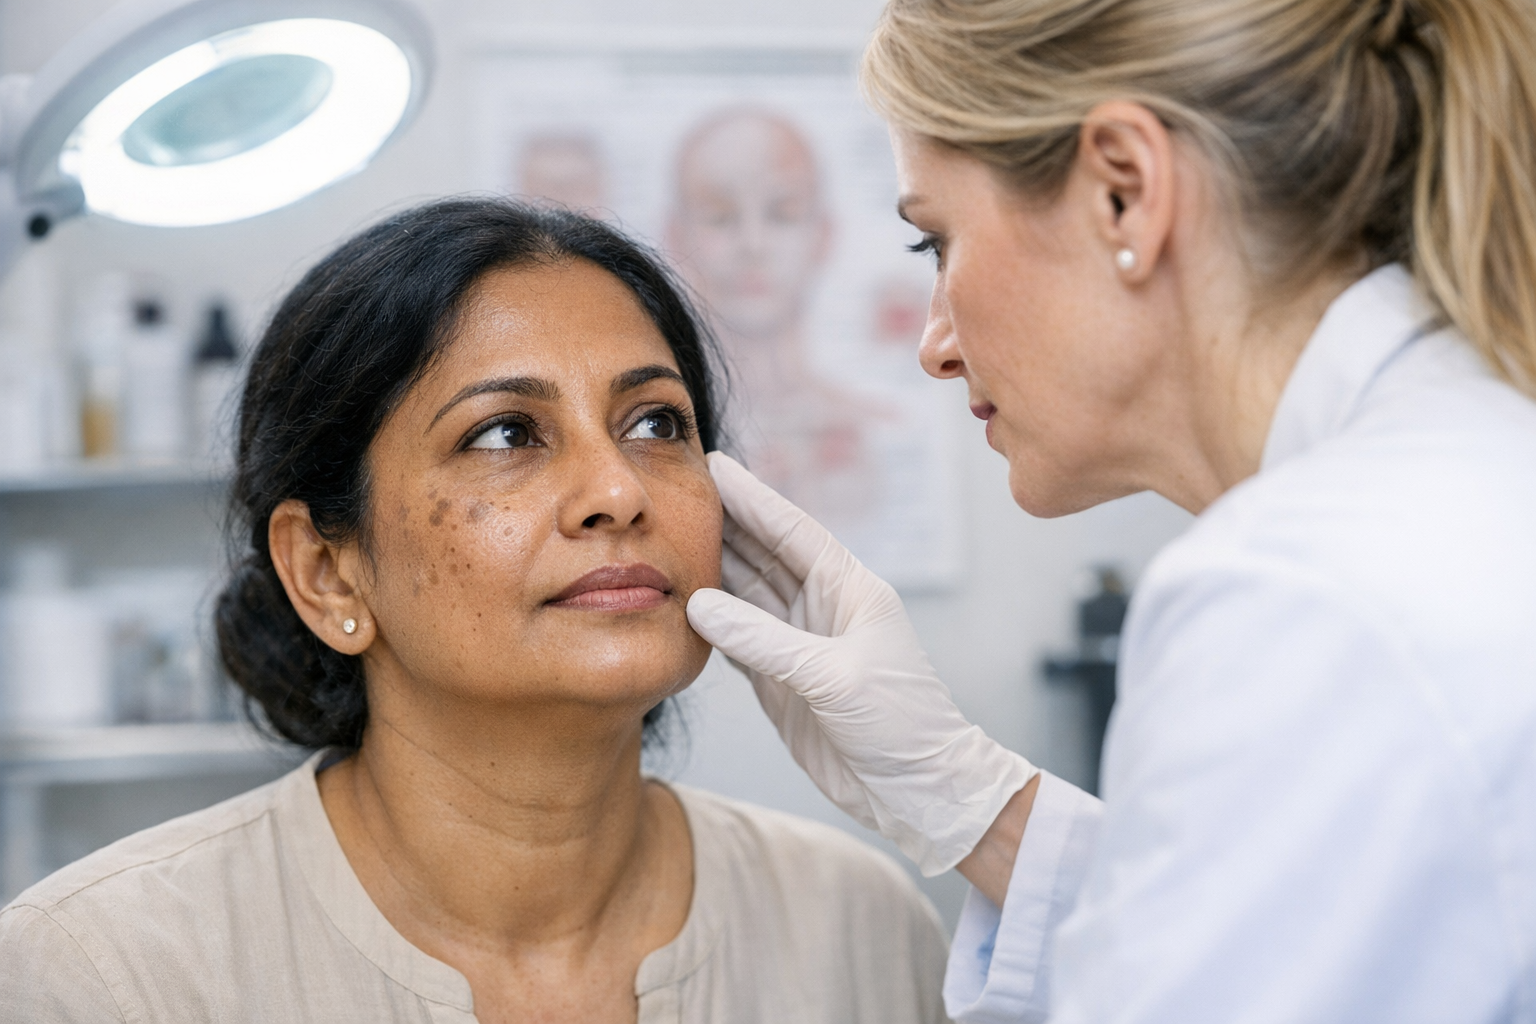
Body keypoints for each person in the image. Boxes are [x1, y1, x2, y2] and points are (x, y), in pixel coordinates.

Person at [685, 1, 1536, 1022]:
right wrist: (969, 798)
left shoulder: (1306, 592)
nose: (935, 344)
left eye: (936, 242)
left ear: (1125, 193)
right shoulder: (1447, 480)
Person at [0, 199, 950, 1024]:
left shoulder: (858, 923)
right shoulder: (104, 973)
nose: (617, 491)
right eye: (505, 433)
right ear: (330, 571)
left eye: (657, 423)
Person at [668, 107, 892, 532]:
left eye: (782, 214)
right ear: (675, 235)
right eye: (720, 216)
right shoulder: (653, 440)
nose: (753, 245)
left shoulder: (873, 430)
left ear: (823, 235)